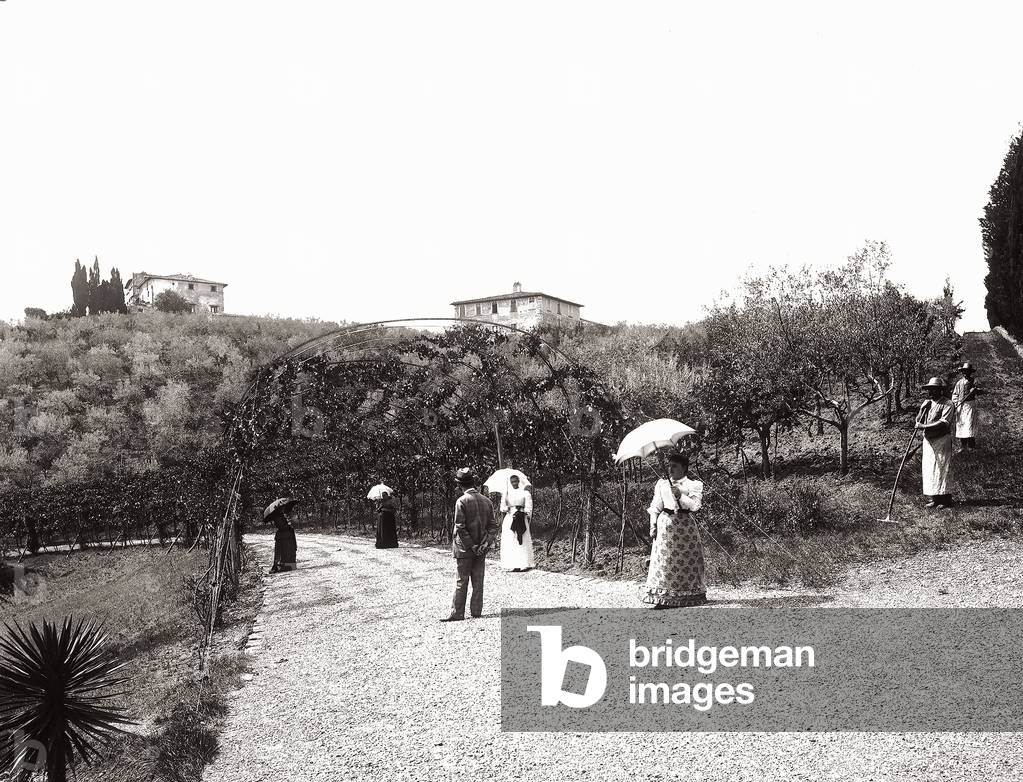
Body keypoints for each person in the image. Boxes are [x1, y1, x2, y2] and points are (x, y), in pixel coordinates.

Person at [643, 453, 706, 609]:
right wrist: (653, 525)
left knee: (685, 560)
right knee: (665, 561)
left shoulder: (693, 485)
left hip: (685, 527)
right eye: (669, 465)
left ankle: (688, 596)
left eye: (674, 466)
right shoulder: (662, 484)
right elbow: (655, 506)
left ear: (684, 468)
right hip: (666, 524)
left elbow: (695, 506)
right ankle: (664, 598)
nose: (670, 469)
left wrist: (680, 496)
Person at [441, 468, 499, 622]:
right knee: (478, 581)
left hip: (464, 548)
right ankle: (476, 611)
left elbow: (460, 526)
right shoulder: (487, 501)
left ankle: (457, 613)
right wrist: (485, 543)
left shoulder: (461, 501)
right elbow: (493, 526)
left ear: (460, 485)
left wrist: (471, 545)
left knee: (462, 581)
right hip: (482, 548)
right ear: (473, 482)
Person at [916, 376, 956, 509]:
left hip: (941, 440)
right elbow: (918, 421)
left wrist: (924, 427)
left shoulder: (948, 404)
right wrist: (922, 409)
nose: (931, 392)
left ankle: (945, 499)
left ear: (941, 390)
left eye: (934, 390)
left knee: (942, 469)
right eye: (929, 390)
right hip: (928, 441)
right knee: (929, 469)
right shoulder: (927, 404)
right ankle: (934, 498)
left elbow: (944, 423)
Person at [499, 474, 534, 572]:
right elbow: (502, 508)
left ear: (518, 481)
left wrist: (525, 513)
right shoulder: (506, 494)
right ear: (510, 482)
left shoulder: (524, 493)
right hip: (510, 517)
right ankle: (514, 564)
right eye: (512, 481)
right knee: (511, 539)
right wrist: (507, 507)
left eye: (515, 481)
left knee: (522, 538)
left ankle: (525, 563)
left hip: (521, 517)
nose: (514, 483)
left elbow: (529, 506)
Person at [951, 362, 984, 450]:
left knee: (969, 424)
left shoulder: (974, 381)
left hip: (970, 405)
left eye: (967, 371)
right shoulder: (959, 383)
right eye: (964, 371)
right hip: (961, 406)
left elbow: (982, 391)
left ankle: (971, 446)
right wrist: (955, 403)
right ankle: (963, 446)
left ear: (970, 372)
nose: (965, 373)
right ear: (962, 372)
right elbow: (955, 394)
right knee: (961, 424)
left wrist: (976, 390)